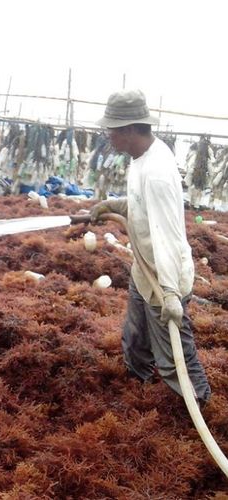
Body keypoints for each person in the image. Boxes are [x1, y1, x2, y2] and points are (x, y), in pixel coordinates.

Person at [89, 89, 211, 406]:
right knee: (135, 341)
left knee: (174, 359)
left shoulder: (157, 171)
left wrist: (170, 293)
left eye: (111, 129)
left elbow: (167, 234)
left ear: (130, 129)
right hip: (144, 269)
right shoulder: (142, 157)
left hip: (163, 276)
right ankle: (137, 392)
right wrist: (118, 205)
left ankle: (197, 408)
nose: (108, 135)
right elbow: (145, 207)